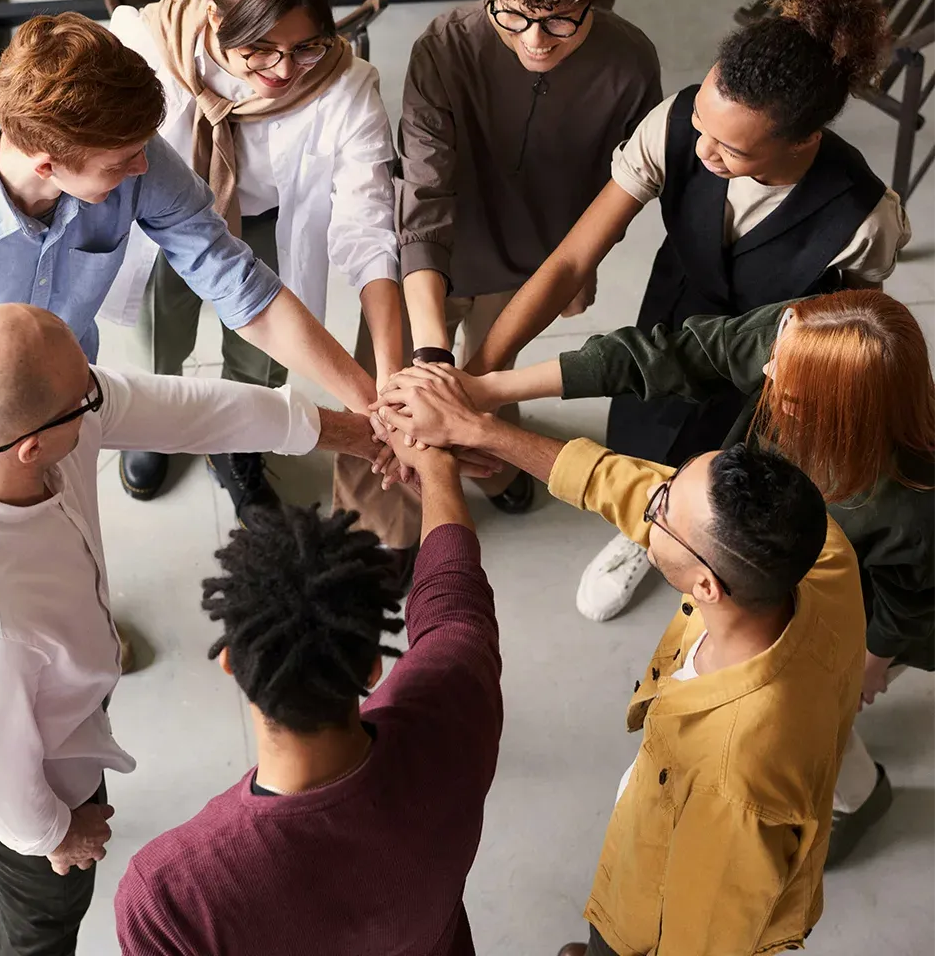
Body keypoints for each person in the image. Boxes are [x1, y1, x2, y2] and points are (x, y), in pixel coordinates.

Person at [0, 0, 417, 568]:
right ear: (48, 163)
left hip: (69, 402)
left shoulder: (134, 154)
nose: (145, 169)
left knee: (70, 541)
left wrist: (371, 405)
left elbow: (242, 287)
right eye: (121, 164)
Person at [0, 303, 397, 955]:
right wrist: (55, 834)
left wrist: (350, 433)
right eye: (86, 398)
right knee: (44, 912)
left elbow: (182, 409)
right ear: (32, 448)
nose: (100, 396)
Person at [465, 0, 910, 622]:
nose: (702, 150)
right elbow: (569, 261)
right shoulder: (674, 125)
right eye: (701, 121)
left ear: (804, 140)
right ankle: (644, 532)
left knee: (730, 483)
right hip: (668, 324)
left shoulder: (867, 218)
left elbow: (850, 331)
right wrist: (481, 373)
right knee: (644, 433)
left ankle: (699, 552)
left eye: (730, 148)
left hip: (766, 376)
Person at [372, 366, 866, 956]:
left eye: (660, 511)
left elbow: (702, 941)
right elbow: (627, 485)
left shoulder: (734, 786)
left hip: (647, 916)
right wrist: (477, 429)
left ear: (706, 586)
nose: (647, 502)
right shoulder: (816, 551)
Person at [453, 288, 935, 863]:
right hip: (775, 581)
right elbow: (671, 354)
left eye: (786, 379)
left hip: (866, 616)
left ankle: (858, 797)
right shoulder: (796, 339)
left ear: (834, 410)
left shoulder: (911, 504)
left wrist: (869, 665)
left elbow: (910, 604)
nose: (767, 366)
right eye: (775, 348)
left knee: (814, 720)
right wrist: (485, 393)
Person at [114, 433, 501, 955]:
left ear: (231, 663)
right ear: (372, 666)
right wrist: (436, 468)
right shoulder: (455, 705)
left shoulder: (169, 896)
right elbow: (454, 601)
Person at [393, 0, 661, 516]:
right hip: (427, 257)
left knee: (494, 372)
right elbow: (423, 193)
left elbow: (614, 192)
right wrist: (433, 357)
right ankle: (380, 520)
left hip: (530, 262)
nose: (536, 39)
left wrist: (579, 268)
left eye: (561, 18)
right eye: (512, 14)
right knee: (398, 385)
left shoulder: (632, 64)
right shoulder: (443, 47)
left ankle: (491, 468)